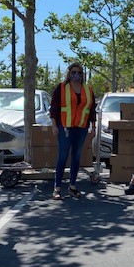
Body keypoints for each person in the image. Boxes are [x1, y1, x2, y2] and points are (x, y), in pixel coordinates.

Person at [49, 63, 96, 200]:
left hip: (81, 128)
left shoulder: (88, 89)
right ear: (69, 74)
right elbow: (54, 107)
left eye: (79, 73)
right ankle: (57, 188)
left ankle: (72, 186)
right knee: (63, 155)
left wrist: (93, 127)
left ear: (83, 75)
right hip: (65, 127)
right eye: (74, 72)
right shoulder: (62, 87)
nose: (76, 75)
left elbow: (92, 110)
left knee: (76, 156)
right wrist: (54, 125)